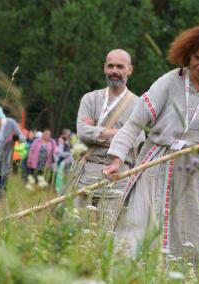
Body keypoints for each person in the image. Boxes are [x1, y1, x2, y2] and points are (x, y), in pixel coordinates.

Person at [103, 25, 199, 269]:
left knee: (191, 236)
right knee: (139, 226)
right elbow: (134, 123)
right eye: (197, 58)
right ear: (188, 53)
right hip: (156, 162)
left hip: (193, 169)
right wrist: (116, 158)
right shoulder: (168, 81)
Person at [72, 49, 145, 229]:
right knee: (76, 232)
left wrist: (96, 130)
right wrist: (120, 132)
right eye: (110, 66)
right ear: (105, 68)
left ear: (130, 70)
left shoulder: (139, 105)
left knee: (107, 233)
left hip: (118, 178)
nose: (114, 70)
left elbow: (136, 140)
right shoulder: (90, 99)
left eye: (120, 66)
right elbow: (82, 131)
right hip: (85, 173)